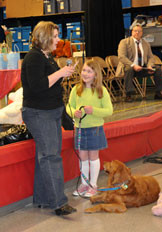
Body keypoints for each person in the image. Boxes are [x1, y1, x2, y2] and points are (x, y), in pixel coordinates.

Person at [21, 21, 77, 216]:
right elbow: (37, 86)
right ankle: (58, 203)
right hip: (38, 113)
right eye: (54, 36)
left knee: (44, 156)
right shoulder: (33, 58)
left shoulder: (47, 57)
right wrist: (60, 73)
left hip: (51, 111)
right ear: (45, 37)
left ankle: (44, 198)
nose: (58, 40)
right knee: (50, 157)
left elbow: (51, 85)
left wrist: (63, 74)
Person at [66, 59, 113, 198]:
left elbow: (109, 110)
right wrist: (74, 112)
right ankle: (84, 184)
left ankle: (93, 184)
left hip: (94, 129)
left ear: (96, 74)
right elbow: (69, 106)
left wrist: (94, 110)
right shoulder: (76, 89)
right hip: (80, 128)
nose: (85, 74)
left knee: (93, 157)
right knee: (82, 157)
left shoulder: (101, 91)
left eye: (89, 71)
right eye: (84, 70)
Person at [116, 24, 162, 102]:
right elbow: (121, 57)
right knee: (129, 68)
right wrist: (134, 65)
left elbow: (151, 57)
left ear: (142, 33)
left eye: (139, 31)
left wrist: (150, 65)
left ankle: (158, 93)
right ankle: (128, 94)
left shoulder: (146, 44)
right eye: (135, 31)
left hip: (142, 68)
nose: (137, 33)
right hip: (129, 67)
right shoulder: (124, 42)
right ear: (132, 32)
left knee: (157, 69)